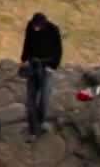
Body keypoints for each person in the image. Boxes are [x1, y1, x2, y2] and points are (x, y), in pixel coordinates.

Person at [20, 12, 63, 140]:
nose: (35, 28)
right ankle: (33, 130)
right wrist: (24, 59)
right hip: (33, 66)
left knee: (44, 99)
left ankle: (40, 122)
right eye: (34, 25)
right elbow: (27, 43)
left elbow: (58, 52)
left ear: (44, 25)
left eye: (37, 26)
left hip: (47, 67)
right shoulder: (30, 26)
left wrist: (51, 67)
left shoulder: (53, 30)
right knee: (30, 99)